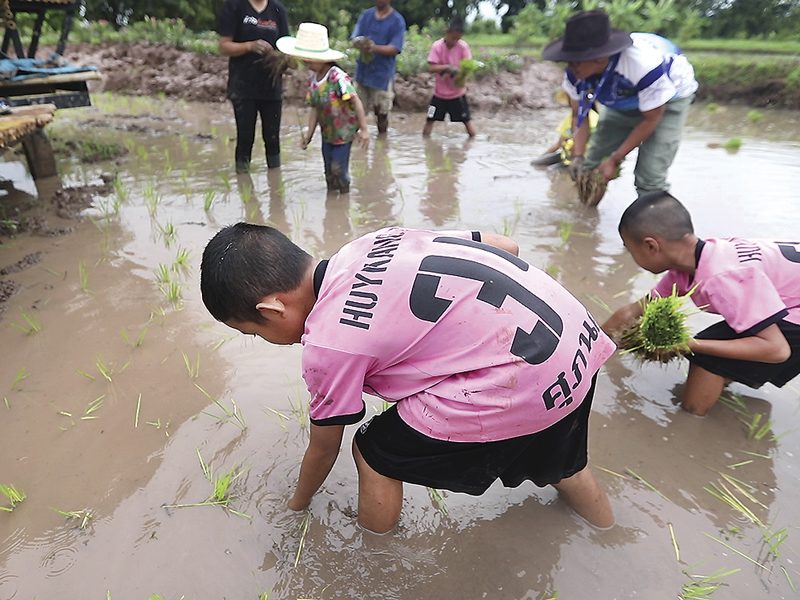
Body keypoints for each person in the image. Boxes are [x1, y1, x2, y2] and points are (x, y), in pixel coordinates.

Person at [200, 224, 617, 534]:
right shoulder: (374, 242)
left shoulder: (327, 347)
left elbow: (325, 447)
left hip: (520, 379)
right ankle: (610, 535)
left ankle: (376, 556)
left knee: (374, 452)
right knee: (560, 464)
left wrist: (297, 504)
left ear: (273, 309)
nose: (267, 341)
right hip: (573, 342)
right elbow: (502, 245)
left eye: (254, 333)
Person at [602, 192, 800, 416]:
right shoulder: (700, 259)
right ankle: (723, 384)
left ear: (651, 246)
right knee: (724, 342)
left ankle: (693, 421)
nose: (631, 256)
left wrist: (687, 344)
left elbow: (777, 350)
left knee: (707, 356)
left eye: (630, 249)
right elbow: (636, 309)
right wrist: (595, 345)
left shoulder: (722, 277)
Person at [542, 10, 697, 198]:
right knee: (590, 167)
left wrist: (615, 159)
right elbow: (578, 115)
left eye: (576, 63)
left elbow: (651, 118)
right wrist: (578, 157)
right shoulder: (574, 74)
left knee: (650, 177)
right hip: (623, 99)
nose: (570, 69)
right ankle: (586, 218)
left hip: (670, 97)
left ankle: (654, 224)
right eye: (568, 62)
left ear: (600, 58)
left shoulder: (643, 65)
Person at [277, 23, 369, 194]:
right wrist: (309, 136)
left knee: (338, 170)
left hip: (344, 133)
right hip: (327, 134)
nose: (305, 62)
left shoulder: (337, 77)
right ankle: (333, 205)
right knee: (328, 173)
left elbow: (356, 101)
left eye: (308, 58)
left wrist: (364, 129)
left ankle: (344, 196)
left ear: (323, 58)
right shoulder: (313, 80)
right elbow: (315, 110)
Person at [217, 0, 290, 173]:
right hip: (243, 86)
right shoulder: (235, 6)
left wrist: (282, 59)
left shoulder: (278, 10)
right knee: (245, 138)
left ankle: (276, 184)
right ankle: (243, 180)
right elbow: (223, 46)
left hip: (272, 85)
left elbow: (285, 48)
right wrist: (250, 46)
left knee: (272, 138)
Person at [350, 0, 406, 134]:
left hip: (382, 74)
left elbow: (395, 48)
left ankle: (382, 142)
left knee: (382, 113)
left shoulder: (397, 21)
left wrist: (373, 48)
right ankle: (354, 142)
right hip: (363, 72)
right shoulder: (366, 15)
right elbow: (355, 37)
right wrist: (359, 43)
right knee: (356, 111)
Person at [422, 18, 476, 138]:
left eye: (458, 39)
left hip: (457, 94)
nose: (455, 41)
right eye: (453, 38)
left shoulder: (463, 47)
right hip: (438, 95)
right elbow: (431, 68)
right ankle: (426, 145)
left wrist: (460, 74)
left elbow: (468, 67)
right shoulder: (437, 46)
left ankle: (472, 143)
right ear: (447, 33)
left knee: (467, 121)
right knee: (429, 119)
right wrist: (447, 68)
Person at [531, 89, 599, 167]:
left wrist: (540, 158)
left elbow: (559, 144)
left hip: (577, 157)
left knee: (542, 166)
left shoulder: (573, 118)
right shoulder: (597, 117)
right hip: (590, 157)